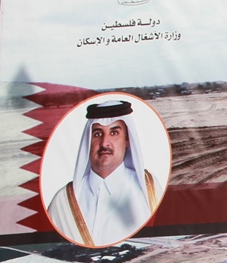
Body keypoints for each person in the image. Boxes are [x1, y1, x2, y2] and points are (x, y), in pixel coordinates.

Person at [45, 99, 162, 248]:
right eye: (98, 134)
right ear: (88, 141)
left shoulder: (149, 190)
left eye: (114, 133)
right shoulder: (63, 201)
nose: (104, 143)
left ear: (127, 140)